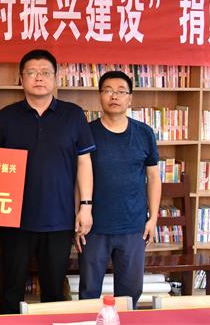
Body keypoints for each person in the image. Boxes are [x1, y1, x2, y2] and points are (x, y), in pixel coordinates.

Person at [0, 49, 95, 314]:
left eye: (45, 72)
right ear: (21, 78)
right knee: (11, 289)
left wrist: (86, 206)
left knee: (53, 292)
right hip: (15, 219)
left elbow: (84, 163)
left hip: (59, 219)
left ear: (56, 78)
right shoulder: (6, 117)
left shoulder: (73, 115)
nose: (39, 77)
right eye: (32, 72)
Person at [78, 70, 161, 306]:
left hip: (133, 227)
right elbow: (78, 177)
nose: (114, 96)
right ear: (99, 96)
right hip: (94, 227)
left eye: (121, 91)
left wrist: (153, 219)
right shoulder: (87, 132)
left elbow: (153, 177)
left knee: (130, 292)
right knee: (88, 291)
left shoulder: (144, 133)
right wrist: (79, 215)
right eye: (108, 91)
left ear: (130, 98)